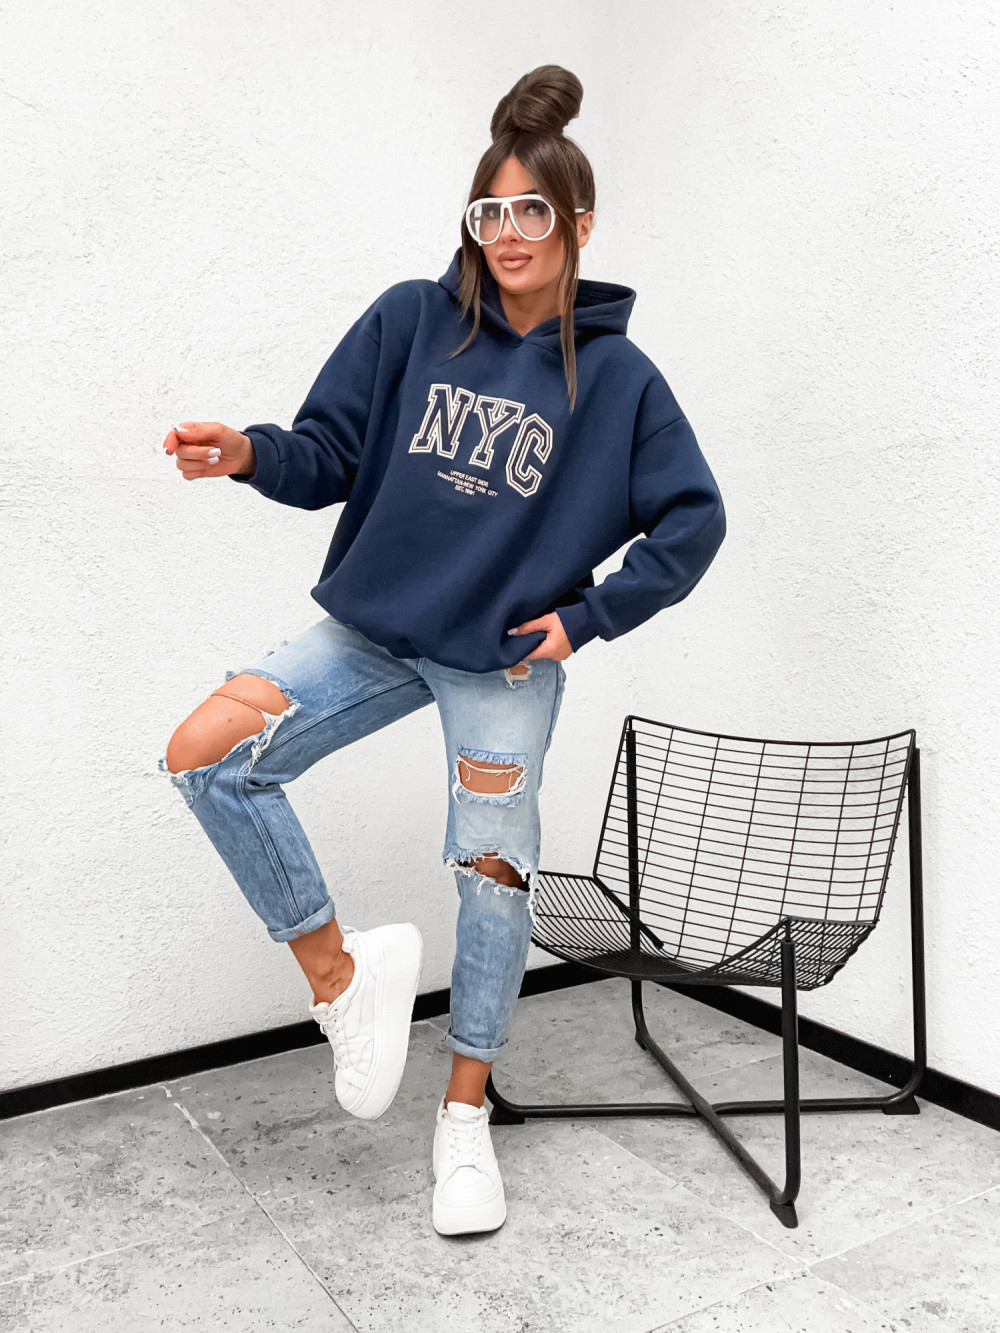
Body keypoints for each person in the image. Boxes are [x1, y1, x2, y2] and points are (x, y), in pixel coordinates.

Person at [158, 64, 726, 1237]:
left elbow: (693, 518)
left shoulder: (617, 380)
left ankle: (463, 1114)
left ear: (578, 226)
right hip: (374, 627)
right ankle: (343, 976)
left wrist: (586, 618)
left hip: (499, 661)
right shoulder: (411, 320)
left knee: (492, 872)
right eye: (489, 210)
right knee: (205, 753)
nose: (507, 232)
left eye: (532, 210)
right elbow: (325, 452)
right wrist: (249, 452)